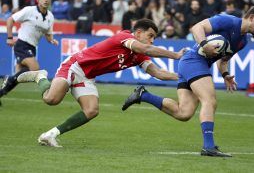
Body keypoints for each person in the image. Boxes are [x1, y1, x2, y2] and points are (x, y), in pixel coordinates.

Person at [122, 6, 254, 157]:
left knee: (183, 113)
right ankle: (209, 146)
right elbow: (197, 28)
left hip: (193, 64)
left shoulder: (243, 41)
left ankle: (143, 95)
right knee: (209, 100)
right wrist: (205, 46)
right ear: (251, 17)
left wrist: (225, 74)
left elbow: (223, 60)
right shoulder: (227, 21)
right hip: (194, 61)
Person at [17, 18, 186, 147]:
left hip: (87, 76)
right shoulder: (125, 37)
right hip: (75, 66)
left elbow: (158, 73)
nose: (152, 41)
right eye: (150, 36)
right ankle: (40, 77)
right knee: (51, 100)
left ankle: (50, 135)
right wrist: (176, 55)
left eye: (154, 38)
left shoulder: (139, 56)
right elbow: (146, 48)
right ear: (138, 33)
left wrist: (182, 76)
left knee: (92, 110)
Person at [0, 0, 58, 104]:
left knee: (22, 76)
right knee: (35, 68)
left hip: (32, 48)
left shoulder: (50, 17)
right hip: (22, 44)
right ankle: (10, 79)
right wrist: (10, 37)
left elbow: (47, 33)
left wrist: (52, 40)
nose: (46, 0)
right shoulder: (29, 10)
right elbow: (10, 19)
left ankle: (2, 91)